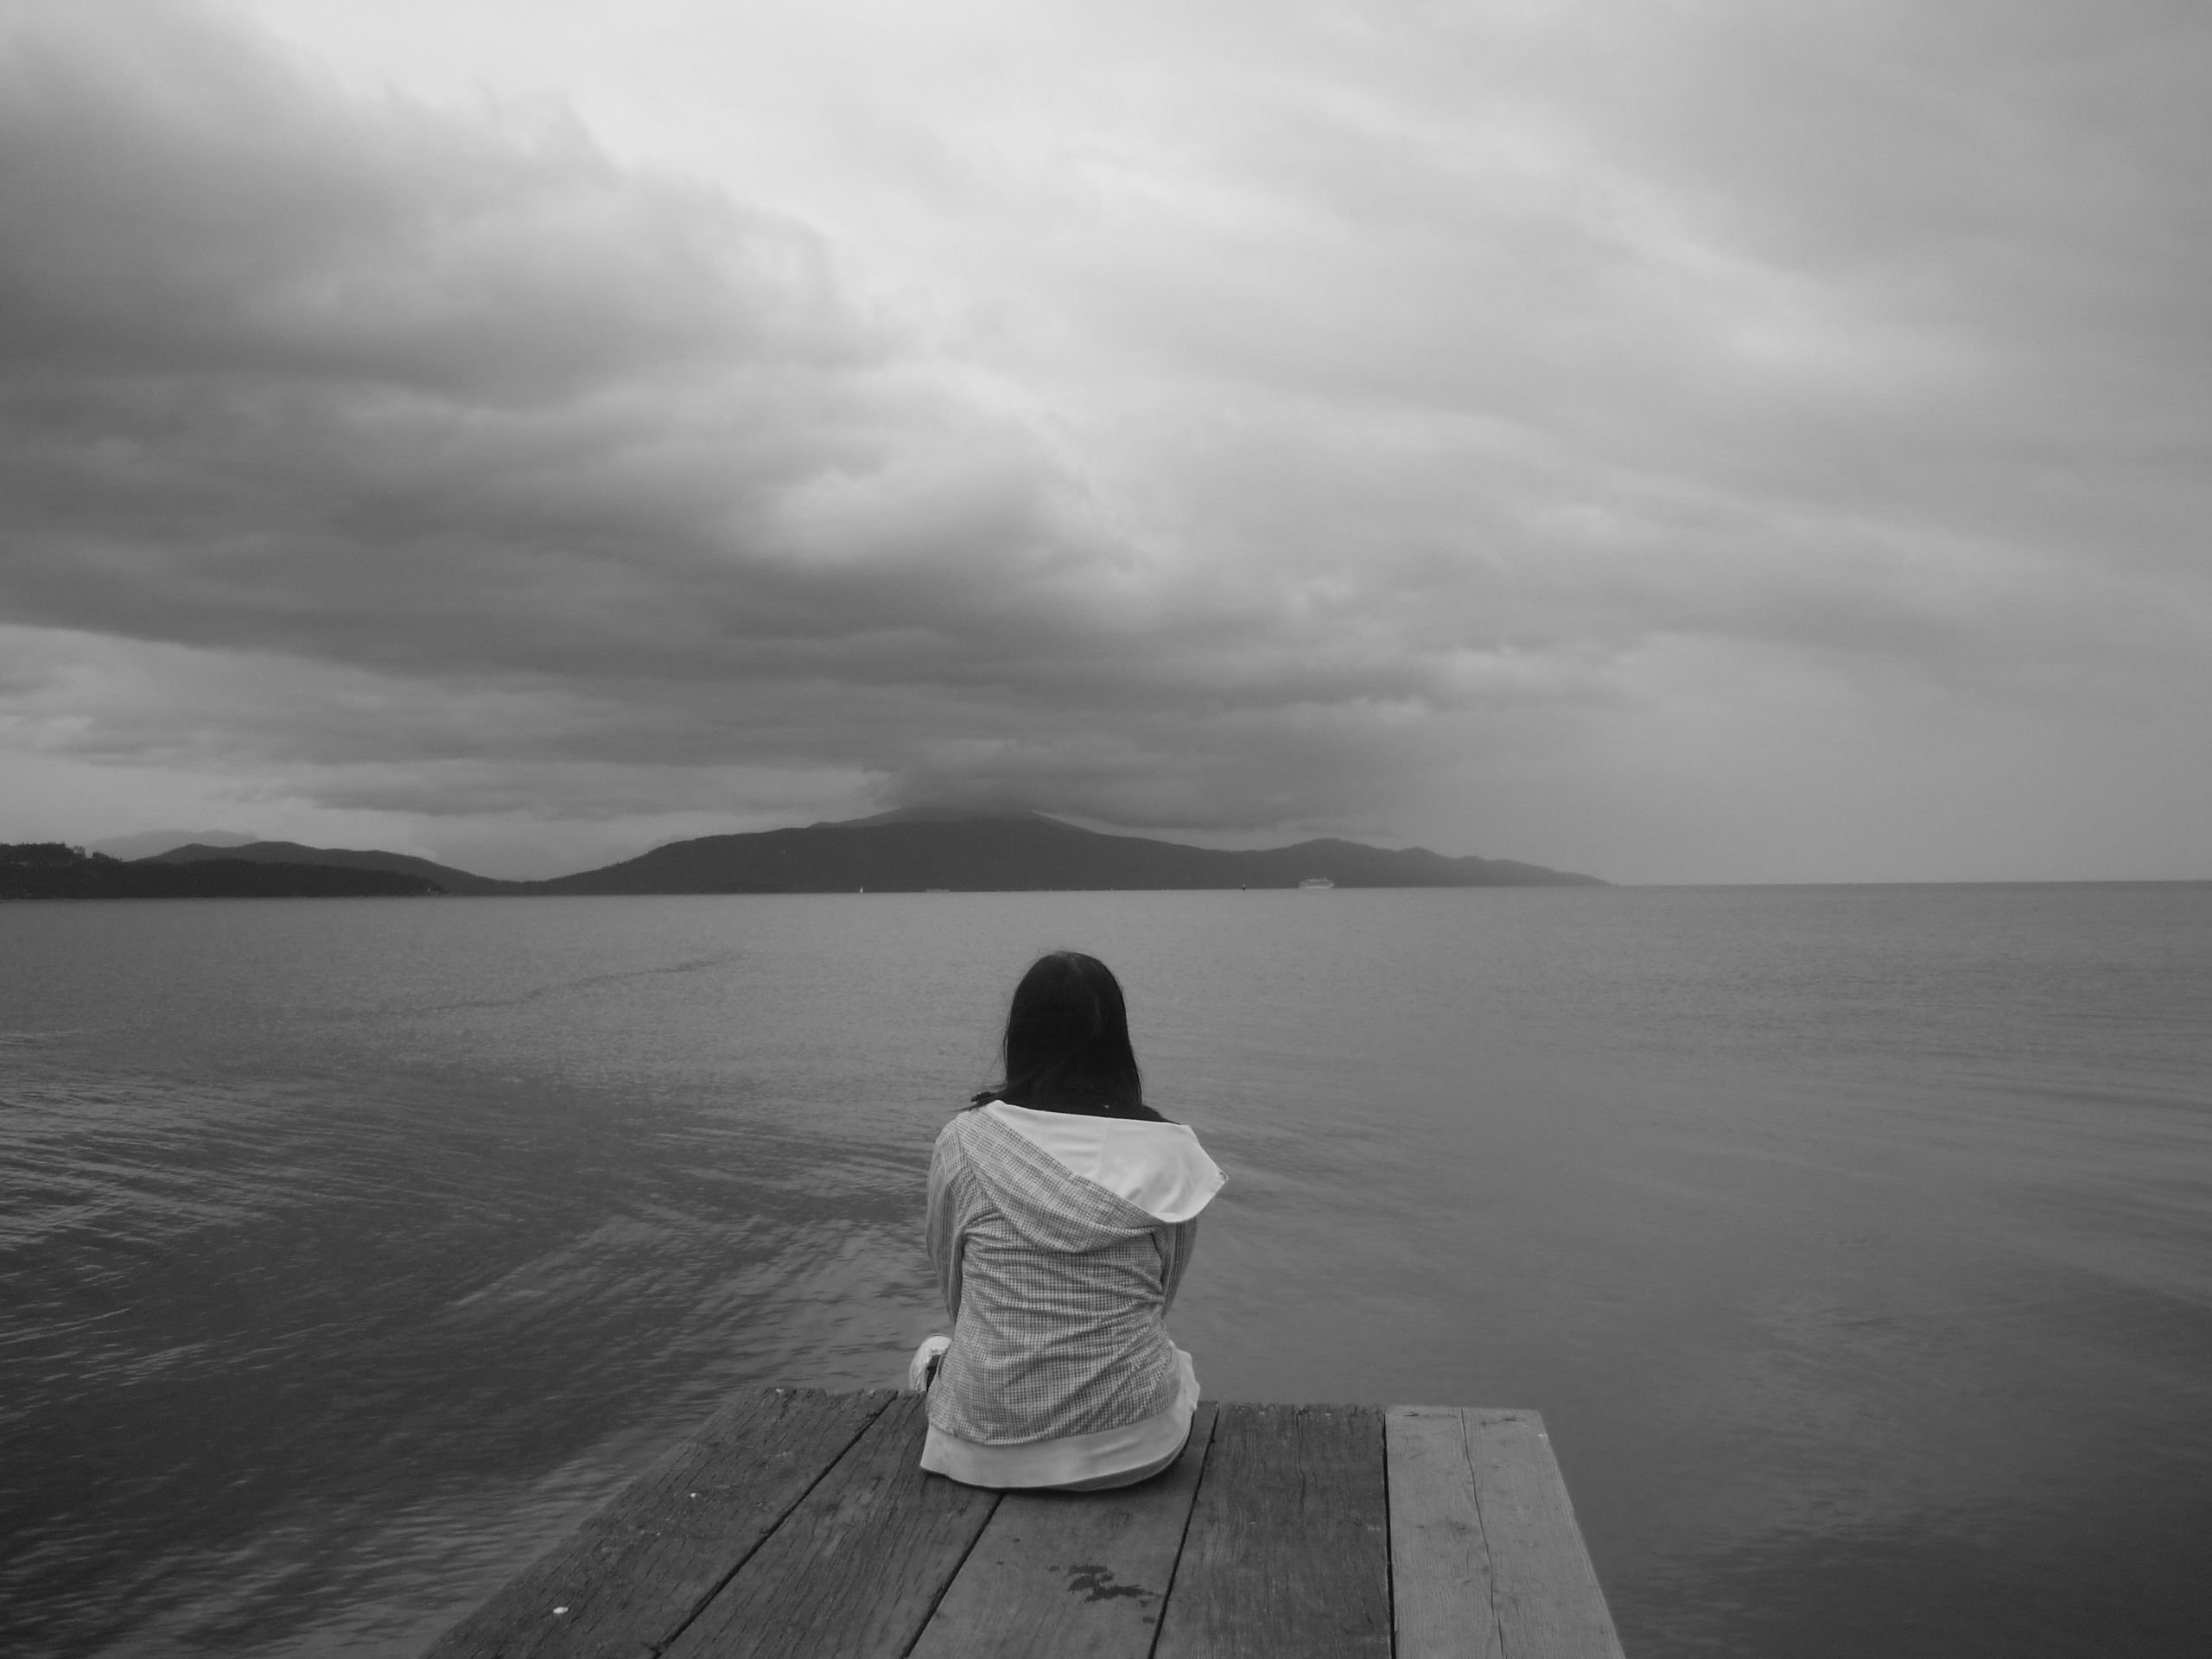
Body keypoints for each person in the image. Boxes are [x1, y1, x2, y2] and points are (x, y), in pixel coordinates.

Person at [912, 950, 1224, 1491]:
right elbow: (1161, 1294)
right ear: (1118, 1041)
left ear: (1021, 1035)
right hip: (1138, 1448)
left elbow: (954, 1285)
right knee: (1172, 1358)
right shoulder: (1168, 1151)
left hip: (981, 1454)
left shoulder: (965, 1141)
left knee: (935, 1351)